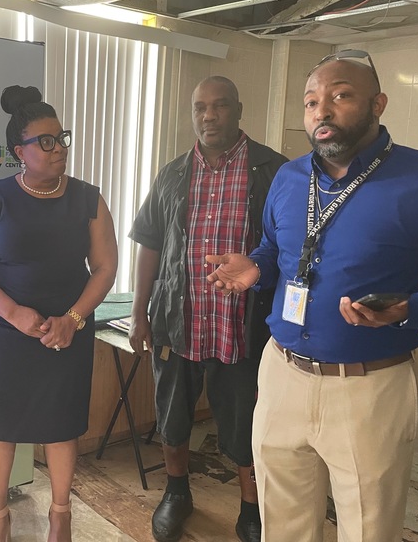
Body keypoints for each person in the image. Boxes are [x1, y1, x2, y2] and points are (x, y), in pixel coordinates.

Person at [206, 51, 418, 541]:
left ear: (378, 103)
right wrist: (255, 267)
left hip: (368, 388)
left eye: (340, 96)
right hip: (281, 374)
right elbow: (272, 249)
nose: (321, 111)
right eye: (310, 102)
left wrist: (413, 309)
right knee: (282, 524)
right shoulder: (289, 178)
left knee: (367, 527)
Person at [129, 76, 288, 542]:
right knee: (173, 416)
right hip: (180, 322)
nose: (209, 116)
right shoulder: (173, 173)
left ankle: (250, 508)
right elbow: (150, 245)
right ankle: (177, 493)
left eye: (219, 106)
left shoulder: (274, 172)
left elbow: (290, 249)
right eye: (200, 107)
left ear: (239, 110)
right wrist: (140, 312)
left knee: (245, 424)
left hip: (244, 326)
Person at [0, 85, 118, 542]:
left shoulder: (88, 199)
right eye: (45, 141)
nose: (58, 149)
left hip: (66, 331)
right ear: (19, 152)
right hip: (3, 333)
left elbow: (105, 267)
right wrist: (13, 313)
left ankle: (61, 514)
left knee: (60, 425)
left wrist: (74, 318)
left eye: (61, 138)